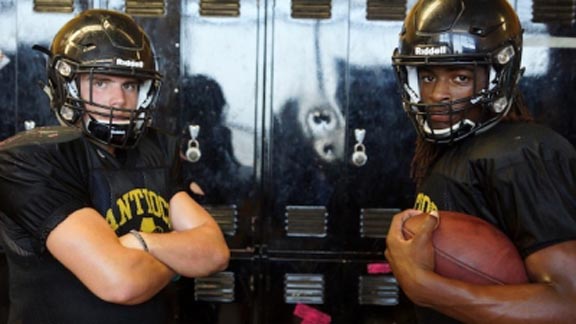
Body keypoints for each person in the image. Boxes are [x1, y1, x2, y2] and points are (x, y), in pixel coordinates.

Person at [0, 9, 229, 323]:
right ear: (68, 85)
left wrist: (140, 242)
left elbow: (215, 251)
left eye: (130, 86)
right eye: (102, 82)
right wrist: (180, 262)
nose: (119, 100)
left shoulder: (155, 150)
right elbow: (121, 282)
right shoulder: (32, 159)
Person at [384, 0, 576, 323]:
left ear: (500, 74)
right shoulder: (458, 148)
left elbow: (569, 303)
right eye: (428, 76)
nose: (436, 94)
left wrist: (423, 285)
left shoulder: (521, 156)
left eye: (460, 77)